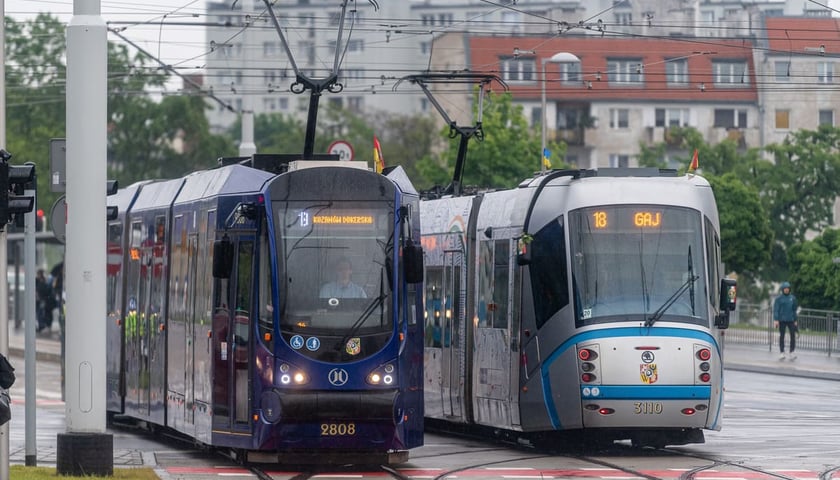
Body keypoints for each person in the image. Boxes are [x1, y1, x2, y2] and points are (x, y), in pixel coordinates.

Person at [773, 281, 798, 361]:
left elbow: (794, 310)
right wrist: (776, 319)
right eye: (785, 289)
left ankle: (792, 352)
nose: (786, 290)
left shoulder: (793, 298)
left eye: (788, 289)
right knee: (782, 336)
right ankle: (782, 352)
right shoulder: (779, 299)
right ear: (782, 289)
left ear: (789, 289)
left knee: (793, 336)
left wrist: (795, 319)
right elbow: (776, 310)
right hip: (782, 320)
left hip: (791, 320)